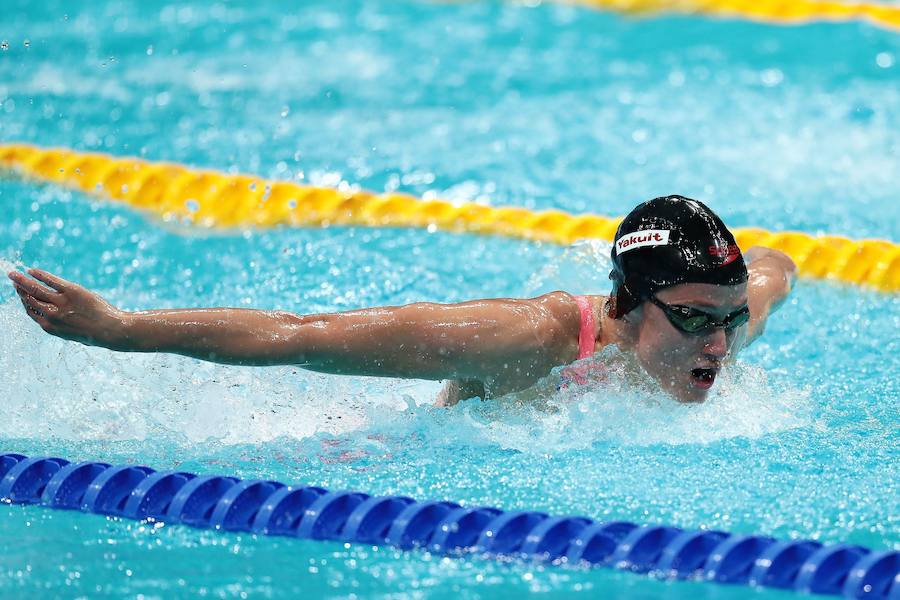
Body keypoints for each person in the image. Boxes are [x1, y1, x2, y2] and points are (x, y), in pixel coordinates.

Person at [7, 195, 796, 405]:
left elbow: (772, 269)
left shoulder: (721, 321)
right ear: (627, 303)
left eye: (729, 319)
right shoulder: (527, 339)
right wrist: (118, 329)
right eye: (695, 319)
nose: (721, 347)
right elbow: (302, 334)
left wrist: (748, 280)